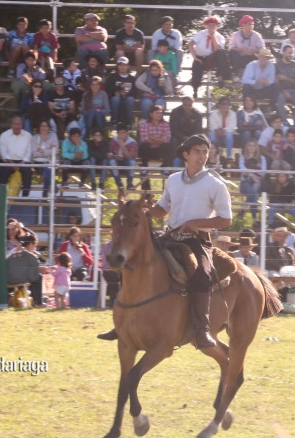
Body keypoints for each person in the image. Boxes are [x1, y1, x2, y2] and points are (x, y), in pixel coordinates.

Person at [98, 134, 232, 348]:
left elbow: (226, 219)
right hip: (170, 236)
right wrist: (147, 211)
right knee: (135, 263)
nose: (202, 156)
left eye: (205, 151)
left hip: (197, 241)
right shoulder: (172, 180)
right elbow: (162, 210)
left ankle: (202, 330)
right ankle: (122, 323)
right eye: (197, 151)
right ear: (186, 155)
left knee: (201, 274)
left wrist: (196, 223)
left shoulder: (215, 185)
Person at [189, 16, 228, 96]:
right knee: (196, 68)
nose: (212, 26)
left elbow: (218, 49)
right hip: (200, 57)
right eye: (210, 24)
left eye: (214, 25)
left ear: (217, 26)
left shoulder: (220, 37)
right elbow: (190, 44)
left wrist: (212, 36)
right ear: (206, 25)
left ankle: (220, 77)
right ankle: (195, 90)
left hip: (212, 58)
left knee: (221, 53)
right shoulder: (201, 33)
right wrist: (195, 57)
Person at [0, 116, 33, 197]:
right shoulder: (4, 135)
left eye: (19, 124)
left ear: (22, 125)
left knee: (28, 172)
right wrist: (12, 163)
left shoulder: (28, 136)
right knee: (3, 172)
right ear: (11, 125)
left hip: (23, 162)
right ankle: (1, 196)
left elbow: (29, 152)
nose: (17, 126)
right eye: (15, 124)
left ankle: (25, 196)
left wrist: (22, 162)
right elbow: (3, 152)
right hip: (8, 161)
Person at [275, 43, 295, 128]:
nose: (291, 55)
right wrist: (284, 91)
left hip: (294, 90)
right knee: (280, 100)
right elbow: (276, 82)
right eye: (289, 53)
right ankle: (284, 122)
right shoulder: (277, 65)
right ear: (283, 53)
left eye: (292, 53)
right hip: (282, 90)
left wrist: (286, 78)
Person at [138, 105, 172, 172]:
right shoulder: (144, 124)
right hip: (148, 151)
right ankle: (145, 168)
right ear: (151, 114)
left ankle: (164, 167)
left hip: (160, 151)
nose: (159, 115)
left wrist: (152, 138)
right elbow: (144, 139)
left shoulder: (166, 124)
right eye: (157, 113)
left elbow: (167, 139)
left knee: (168, 146)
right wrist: (160, 140)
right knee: (144, 146)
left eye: (161, 113)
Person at [106, 56, 136, 125]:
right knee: (115, 99)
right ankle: (114, 120)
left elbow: (135, 92)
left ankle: (129, 121)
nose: (122, 67)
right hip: (116, 98)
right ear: (117, 66)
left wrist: (127, 93)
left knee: (130, 100)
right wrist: (118, 90)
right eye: (120, 65)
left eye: (124, 65)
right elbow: (108, 88)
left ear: (128, 66)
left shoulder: (132, 78)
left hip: (127, 98)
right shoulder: (113, 76)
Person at [31, 120, 59, 195]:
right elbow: (34, 153)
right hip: (38, 163)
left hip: (51, 162)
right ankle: (53, 187)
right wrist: (49, 151)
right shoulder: (34, 138)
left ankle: (45, 192)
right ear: (39, 127)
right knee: (47, 168)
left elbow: (56, 151)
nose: (44, 128)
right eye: (42, 126)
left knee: (48, 169)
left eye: (46, 126)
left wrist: (43, 151)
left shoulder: (53, 136)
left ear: (49, 127)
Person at [106, 123, 137, 189]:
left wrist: (122, 145)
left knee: (132, 162)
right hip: (116, 166)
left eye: (123, 132)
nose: (121, 135)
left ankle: (129, 183)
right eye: (119, 133)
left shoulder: (132, 142)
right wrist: (114, 156)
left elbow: (130, 158)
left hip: (127, 166)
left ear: (127, 133)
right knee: (111, 161)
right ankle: (119, 183)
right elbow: (109, 154)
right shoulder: (114, 141)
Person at [208, 96, 237, 160]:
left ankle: (229, 157)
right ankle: (214, 157)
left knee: (229, 135)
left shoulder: (233, 114)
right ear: (220, 105)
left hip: (226, 135)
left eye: (228, 104)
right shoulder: (214, 114)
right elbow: (212, 127)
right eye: (224, 104)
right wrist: (218, 131)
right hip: (216, 134)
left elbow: (231, 127)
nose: (226, 106)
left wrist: (223, 131)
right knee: (211, 135)